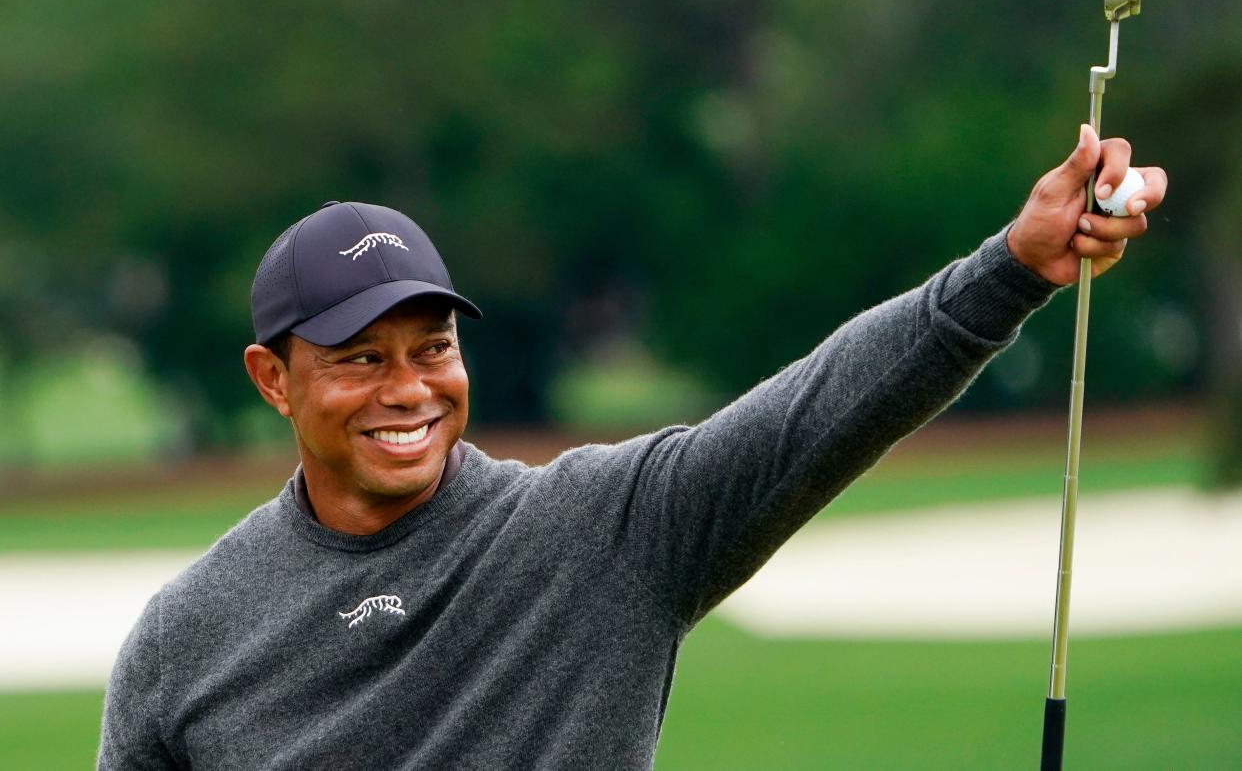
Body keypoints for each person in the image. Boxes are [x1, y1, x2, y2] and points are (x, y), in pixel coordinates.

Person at [98, 125, 1165, 769]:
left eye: (432, 349)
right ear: (271, 379)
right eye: (362, 361)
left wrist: (1015, 265)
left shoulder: (606, 530)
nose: (411, 390)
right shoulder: (184, 638)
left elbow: (820, 410)